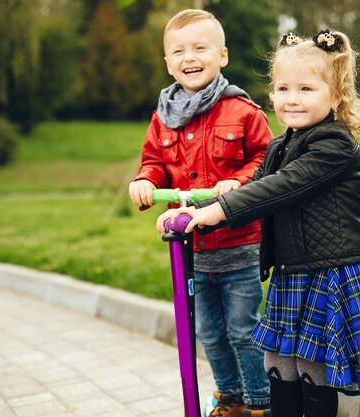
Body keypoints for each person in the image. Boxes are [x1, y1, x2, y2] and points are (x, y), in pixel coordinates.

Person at [157, 29, 360, 417]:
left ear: (336, 96)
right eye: (283, 89)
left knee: (310, 370)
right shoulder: (280, 144)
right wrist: (193, 213)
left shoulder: (335, 145)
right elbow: (252, 187)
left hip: (327, 271)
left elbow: (278, 188)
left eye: (306, 89)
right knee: (279, 365)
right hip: (291, 271)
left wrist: (219, 211)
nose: (292, 99)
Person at [128, 9, 272, 417]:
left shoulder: (243, 111)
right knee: (208, 332)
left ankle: (261, 402)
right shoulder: (163, 118)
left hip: (240, 243)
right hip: (191, 248)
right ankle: (230, 399)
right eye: (178, 51)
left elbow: (266, 158)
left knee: (243, 330)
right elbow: (153, 162)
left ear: (222, 55)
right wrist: (145, 181)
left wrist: (239, 181)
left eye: (199, 48)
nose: (189, 57)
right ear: (168, 62)